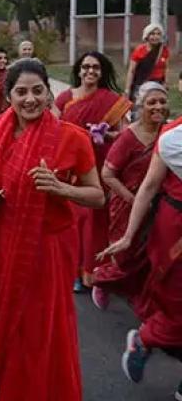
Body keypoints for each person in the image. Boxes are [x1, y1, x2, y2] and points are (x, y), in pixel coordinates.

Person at [0, 59, 105, 401]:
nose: (30, 99)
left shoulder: (72, 138)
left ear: (49, 93)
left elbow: (97, 196)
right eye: (21, 92)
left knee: (40, 334)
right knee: (2, 334)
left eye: (38, 90)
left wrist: (60, 189)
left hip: (45, 256)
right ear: (8, 96)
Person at [100, 108, 182, 390]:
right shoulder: (172, 137)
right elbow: (148, 187)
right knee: (176, 303)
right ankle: (145, 340)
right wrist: (128, 236)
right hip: (175, 230)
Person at [55, 51, 131, 291]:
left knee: (96, 221)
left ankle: (95, 270)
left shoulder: (111, 100)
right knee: (74, 220)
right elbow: (52, 130)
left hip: (100, 165)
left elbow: (125, 134)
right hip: (71, 168)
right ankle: (74, 270)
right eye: (86, 67)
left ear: (102, 71)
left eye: (95, 67)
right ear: (78, 70)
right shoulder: (65, 98)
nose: (90, 71)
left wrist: (106, 134)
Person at [93, 82, 169, 311]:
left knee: (147, 255)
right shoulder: (128, 137)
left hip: (158, 204)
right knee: (124, 255)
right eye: (151, 102)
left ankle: (139, 296)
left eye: (162, 101)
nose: (158, 106)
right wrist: (133, 200)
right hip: (126, 204)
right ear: (141, 106)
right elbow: (107, 174)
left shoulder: (169, 134)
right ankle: (102, 281)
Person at [125, 23, 170, 103]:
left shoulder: (164, 50)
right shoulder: (139, 50)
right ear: (147, 36)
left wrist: (166, 83)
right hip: (141, 85)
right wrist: (127, 89)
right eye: (152, 34)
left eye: (158, 34)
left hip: (158, 85)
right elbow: (131, 71)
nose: (156, 37)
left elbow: (166, 68)